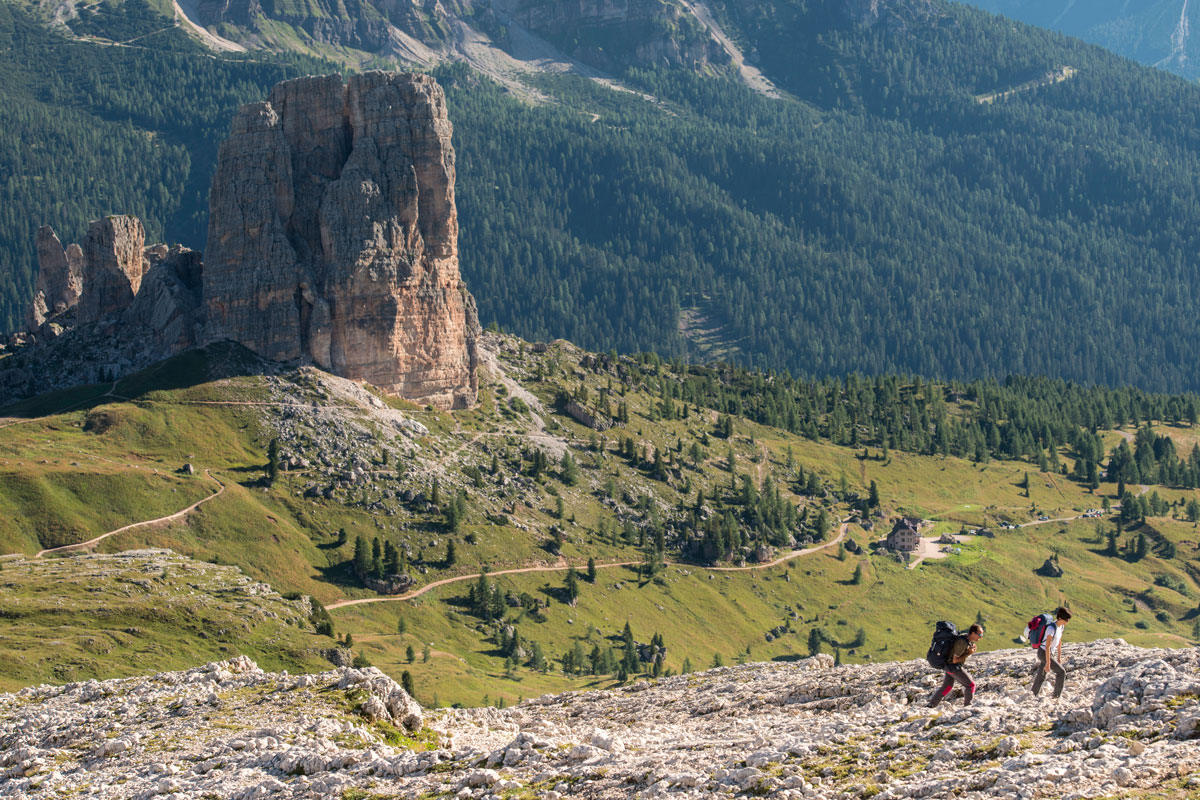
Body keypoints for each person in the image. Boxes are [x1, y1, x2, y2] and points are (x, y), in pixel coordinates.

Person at [928, 623, 984, 708]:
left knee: (947, 687)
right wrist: (969, 653)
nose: (980, 637)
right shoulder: (962, 642)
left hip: (948, 666)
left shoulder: (965, 638)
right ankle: (968, 707)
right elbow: (955, 660)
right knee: (971, 685)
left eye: (981, 635)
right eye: (979, 634)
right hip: (953, 667)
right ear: (972, 633)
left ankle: (931, 705)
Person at [1032, 606, 1070, 698]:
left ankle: (1033, 694)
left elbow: (1059, 641)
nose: (1067, 622)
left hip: (1049, 653)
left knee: (1041, 675)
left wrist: (1059, 657)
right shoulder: (1051, 629)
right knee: (1061, 672)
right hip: (1043, 652)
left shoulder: (1061, 627)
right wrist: (1048, 663)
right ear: (1060, 618)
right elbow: (1047, 646)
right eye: (1065, 620)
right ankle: (1056, 696)